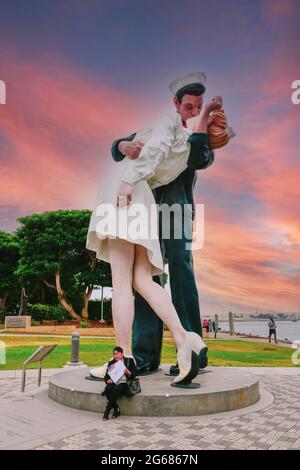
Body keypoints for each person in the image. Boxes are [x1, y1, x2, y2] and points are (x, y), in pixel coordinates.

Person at [86, 72, 218, 385]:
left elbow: (197, 156)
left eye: (196, 108)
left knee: (168, 277)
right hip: (144, 204)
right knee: (145, 280)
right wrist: (122, 144)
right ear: (176, 104)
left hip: (169, 211)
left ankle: (170, 351)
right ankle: (151, 354)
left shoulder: (195, 141)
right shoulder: (165, 125)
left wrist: (202, 125)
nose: (190, 111)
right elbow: (124, 146)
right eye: (188, 106)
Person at [102, 346, 136, 420]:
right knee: (108, 389)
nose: (116, 355)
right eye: (114, 354)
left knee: (116, 389)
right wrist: (108, 380)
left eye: (117, 353)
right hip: (114, 383)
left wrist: (128, 372)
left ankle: (107, 411)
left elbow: (134, 375)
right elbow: (106, 376)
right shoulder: (111, 363)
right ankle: (116, 409)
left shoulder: (129, 361)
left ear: (122, 353)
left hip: (124, 383)